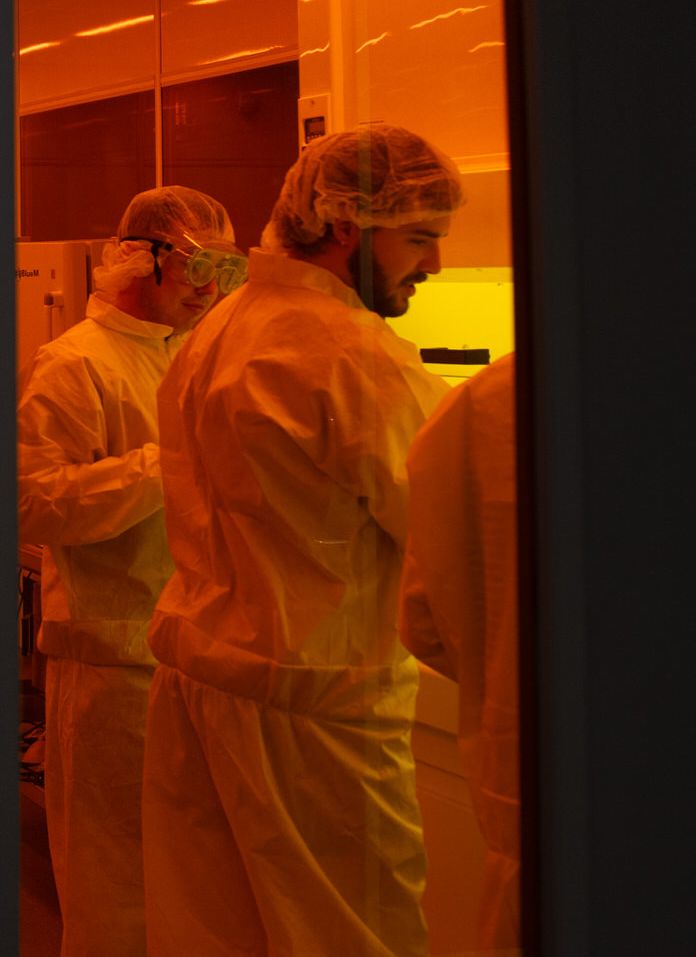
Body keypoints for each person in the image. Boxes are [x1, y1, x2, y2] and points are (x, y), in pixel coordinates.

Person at [142, 124, 465, 956]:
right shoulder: (354, 356)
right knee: (354, 939)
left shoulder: (218, 330)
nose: (433, 264)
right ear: (348, 223)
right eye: (420, 237)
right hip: (318, 716)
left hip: (203, 684)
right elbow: (455, 541)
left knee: (217, 936)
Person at [19, 186, 244, 957]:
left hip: (193, 656)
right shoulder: (77, 362)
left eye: (226, 265)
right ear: (142, 258)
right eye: (197, 264)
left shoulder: (198, 354)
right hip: (109, 664)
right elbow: (33, 500)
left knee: (183, 888)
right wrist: (164, 465)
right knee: (112, 885)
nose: (211, 285)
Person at [400, 353, 522, 954]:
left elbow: (423, 621)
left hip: (520, 784)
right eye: (422, 247)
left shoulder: (485, 400)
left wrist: (493, 678)